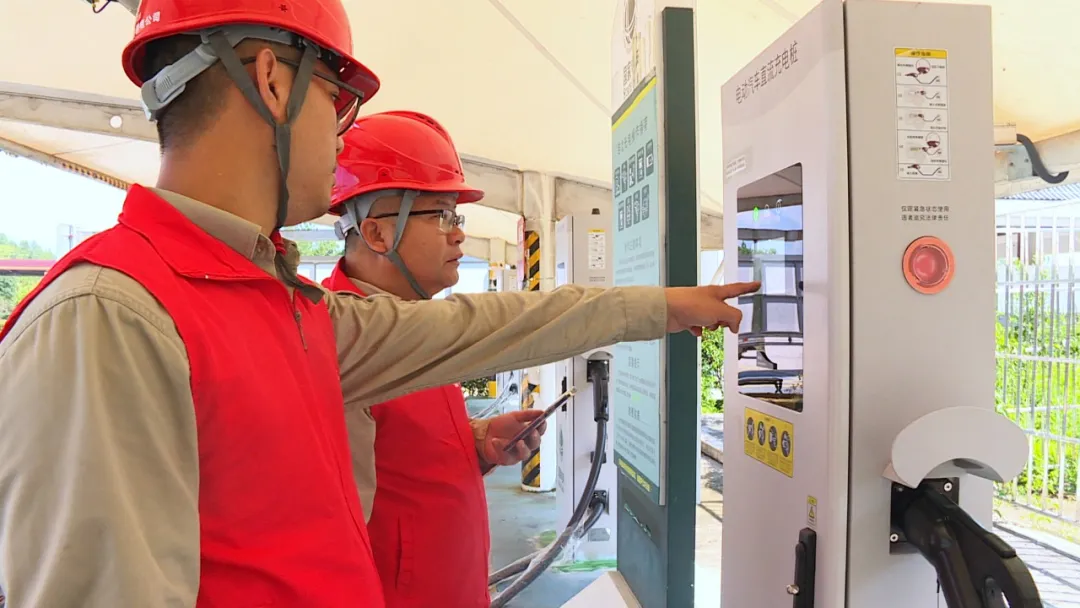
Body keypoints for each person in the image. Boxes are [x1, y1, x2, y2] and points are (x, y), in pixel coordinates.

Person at [0, 1, 760, 607]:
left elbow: (484, 327)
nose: (342, 138)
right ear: (271, 81)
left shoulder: (284, 305)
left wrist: (661, 307)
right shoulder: (110, 317)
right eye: (336, 98)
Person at [323, 110, 545, 607]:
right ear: (377, 235)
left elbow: (398, 453)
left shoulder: (416, 320)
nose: (458, 234)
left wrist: (479, 442)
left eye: (456, 218)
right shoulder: (342, 345)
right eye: (441, 215)